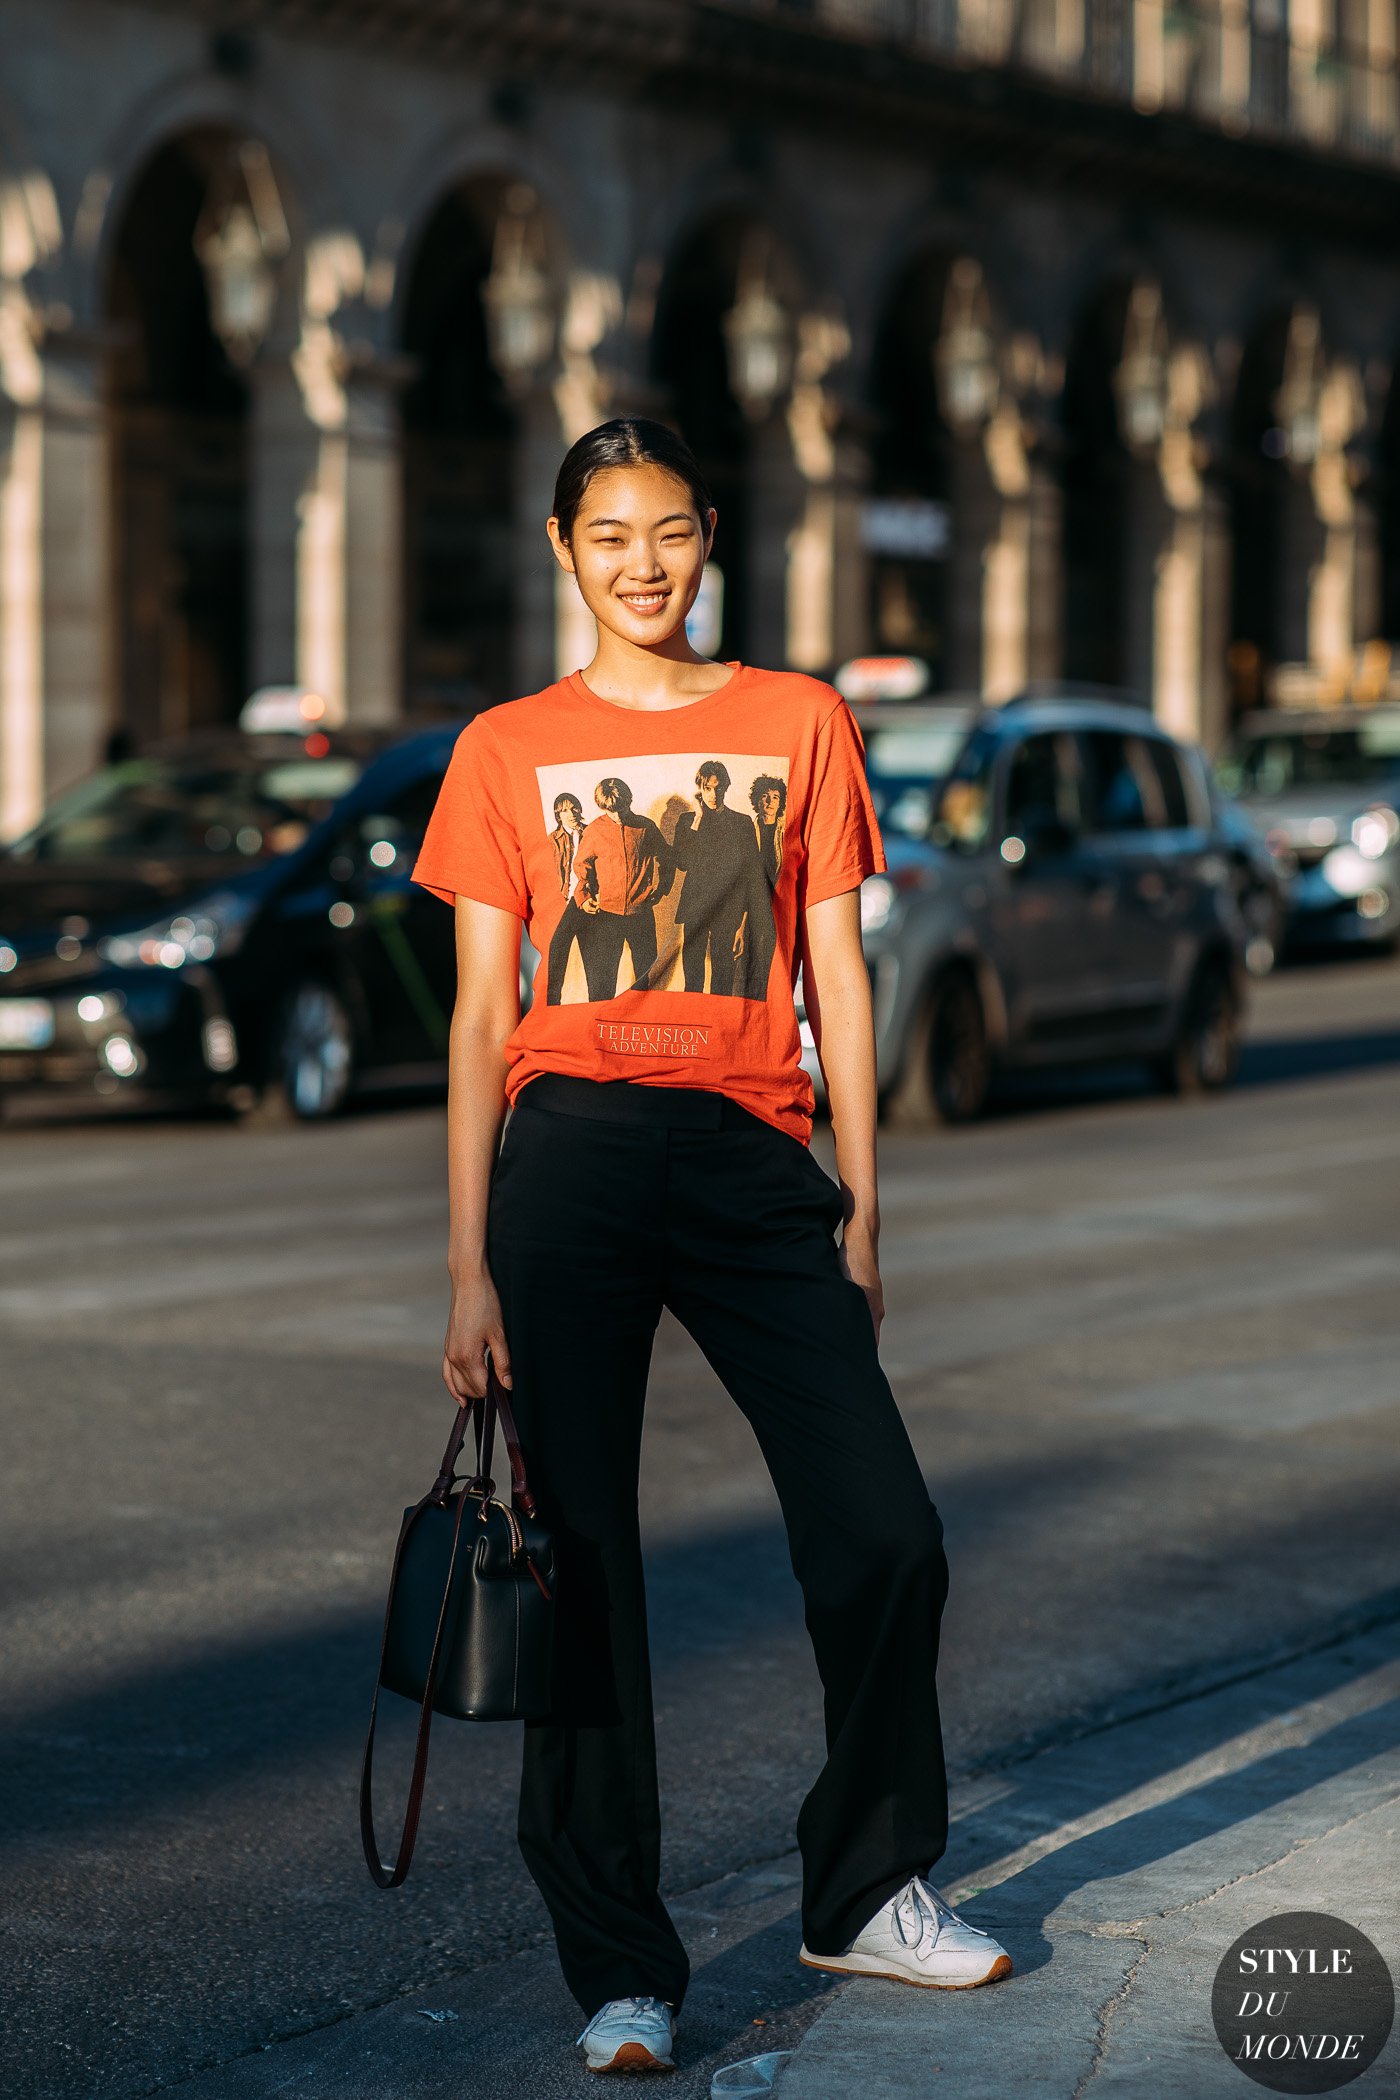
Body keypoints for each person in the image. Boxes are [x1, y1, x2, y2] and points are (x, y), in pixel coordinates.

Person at [412, 416, 1012, 2079]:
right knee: (582, 1564)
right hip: (573, 1165)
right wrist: (466, 1263)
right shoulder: (503, 748)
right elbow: (478, 1022)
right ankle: (624, 1967)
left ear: (707, 536)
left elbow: (841, 973)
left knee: (885, 1531)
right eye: (611, 536)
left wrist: (865, 1206)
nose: (644, 565)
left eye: (669, 531)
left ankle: (867, 1885)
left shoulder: (796, 719)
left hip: (759, 1163)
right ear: (563, 551)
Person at [570, 775, 676, 998]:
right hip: (606, 916)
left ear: (629, 800)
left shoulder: (645, 827)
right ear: (602, 806)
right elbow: (581, 866)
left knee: (646, 979)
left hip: (641, 915)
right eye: (610, 810)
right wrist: (583, 897)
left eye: (621, 808)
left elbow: (667, 857)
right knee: (601, 983)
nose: (617, 815)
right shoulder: (595, 831)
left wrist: (662, 888)